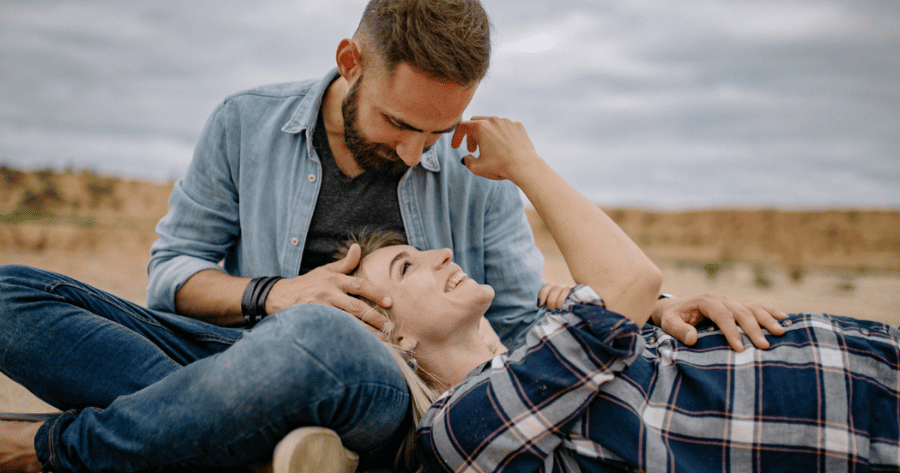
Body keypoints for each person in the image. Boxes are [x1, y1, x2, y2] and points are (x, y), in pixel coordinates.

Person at [0, 0, 785, 471]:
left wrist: (654, 308)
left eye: (437, 130)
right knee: (11, 295)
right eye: (401, 123)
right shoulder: (243, 123)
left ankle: (61, 449)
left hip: (383, 389)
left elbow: (517, 317)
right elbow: (172, 274)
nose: (418, 151)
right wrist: (275, 294)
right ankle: (222, 439)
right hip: (233, 357)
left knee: (319, 339)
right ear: (351, 61)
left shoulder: (470, 172)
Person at [346, 117, 900, 472]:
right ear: (394, 336)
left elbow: (629, 304)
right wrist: (523, 164)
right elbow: (631, 282)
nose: (443, 253)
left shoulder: (526, 358)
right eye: (405, 266)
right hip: (863, 425)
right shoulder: (456, 429)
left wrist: (660, 315)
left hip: (871, 367)